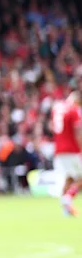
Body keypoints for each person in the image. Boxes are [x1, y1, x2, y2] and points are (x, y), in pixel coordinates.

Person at [51, 87, 82, 217]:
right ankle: (68, 198)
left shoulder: (57, 108)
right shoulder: (74, 110)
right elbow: (78, 132)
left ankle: (65, 209)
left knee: (69, 178)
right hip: (72, 149)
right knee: (80, 177)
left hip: (59, 149)